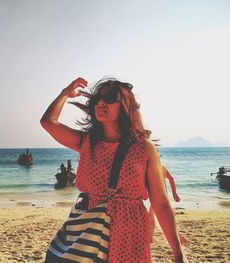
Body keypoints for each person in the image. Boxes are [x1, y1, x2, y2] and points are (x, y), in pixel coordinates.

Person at [41, 77, 188, 262]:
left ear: (125, 105)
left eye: (110, 98)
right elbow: (48, 122)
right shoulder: (87, 142)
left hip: (131, 233)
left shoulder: (144, 148)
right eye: (97, 99)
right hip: (90, 230)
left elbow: (160, 202)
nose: (101, 102)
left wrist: (178, 254)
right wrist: (64, 93)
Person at [148, 165, 188, 245]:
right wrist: (174, 194)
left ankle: (181, 238)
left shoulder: (153, 167)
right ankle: (150, 238)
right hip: (162, 195)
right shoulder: (162, 167)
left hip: (158, 195)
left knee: (156, 218)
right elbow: (171, 179)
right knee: (153, 217)